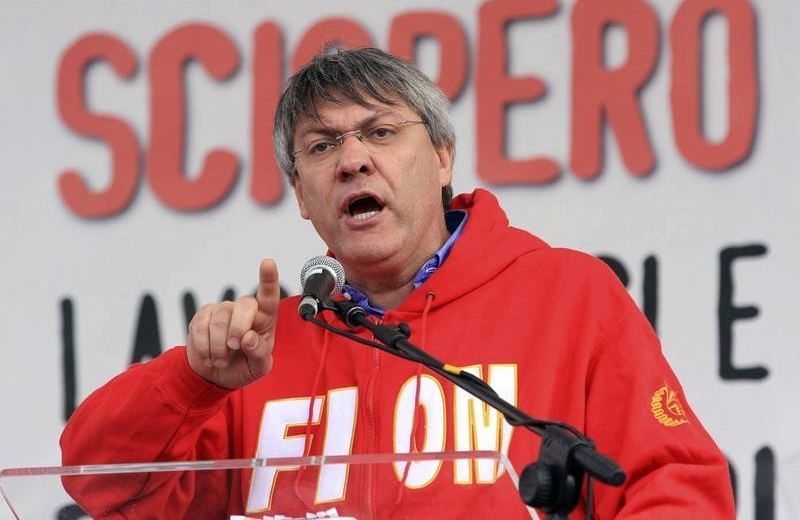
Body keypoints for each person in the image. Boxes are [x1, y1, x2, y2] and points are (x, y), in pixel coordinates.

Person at [61, 47, 735, 519]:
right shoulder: (256, 356)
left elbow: (676, 488)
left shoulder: (569, 295)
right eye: (321, 148)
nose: (352, 160)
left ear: (443, 157)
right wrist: (193, 384)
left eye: (380, 133)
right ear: (302, 194)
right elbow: (99, 484)